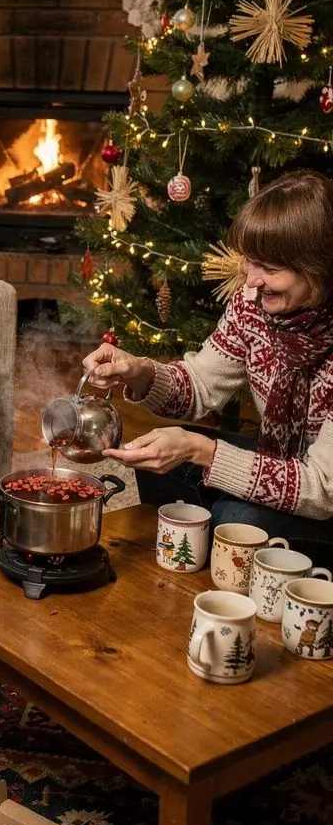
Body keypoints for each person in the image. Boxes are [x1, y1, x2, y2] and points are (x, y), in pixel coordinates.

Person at [81, 170, 333, 562]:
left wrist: (203, 451)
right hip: (283, 457)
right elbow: (200, 386)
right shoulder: (253, 305)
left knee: (235, 519)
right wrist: (140, 371)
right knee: (158, 463)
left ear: (317, 268)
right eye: (251, 262)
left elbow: (321, 489)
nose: (251, 281)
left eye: (270, 268)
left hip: (324, 493)